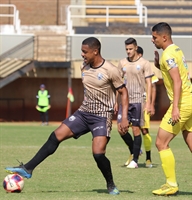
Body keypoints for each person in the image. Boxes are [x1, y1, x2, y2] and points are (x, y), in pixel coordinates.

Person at [5, 37, 129, 195]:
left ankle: (110, 184)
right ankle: (28, 168)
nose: (82, 54)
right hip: (83, 113)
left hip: (101, 116)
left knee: (98, 154)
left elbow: (123, 92)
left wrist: (123, 117)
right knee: (56, 135)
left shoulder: (111, 70)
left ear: (95, 51)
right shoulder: (84, 66)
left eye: (85, 51)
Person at [151, 22, 192, 196]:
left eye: (155, 37)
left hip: (182, 104)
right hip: (189, 100)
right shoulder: (176, 50)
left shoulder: (167, 54)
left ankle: (171, 184)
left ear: (164, 37)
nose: (152, 40)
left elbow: (178, 81)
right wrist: (159, 66)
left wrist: (175, 108)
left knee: (161, 142)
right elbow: (179, 73)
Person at [116, 38, 153, 169]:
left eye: (130, 49)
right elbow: (117, 83)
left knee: (136, 129)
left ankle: (135, 160)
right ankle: (135, 149)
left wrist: (148, 102)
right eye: (126, 49)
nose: (128, 51)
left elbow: (149, 84)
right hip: (124, 101)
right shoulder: (122, 63)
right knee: (121, 129)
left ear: (136, 48)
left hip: (138, 101)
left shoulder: (145, 63)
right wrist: (116, 101)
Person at [138, 46, 159, 168]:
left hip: (144, 103)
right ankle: (134, 152)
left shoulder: (147, 67)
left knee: (144, 130)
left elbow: (154, 87)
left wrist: (150, 103)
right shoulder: (127, 66)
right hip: (132, 103)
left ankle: (148, 158)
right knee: (123, 129)